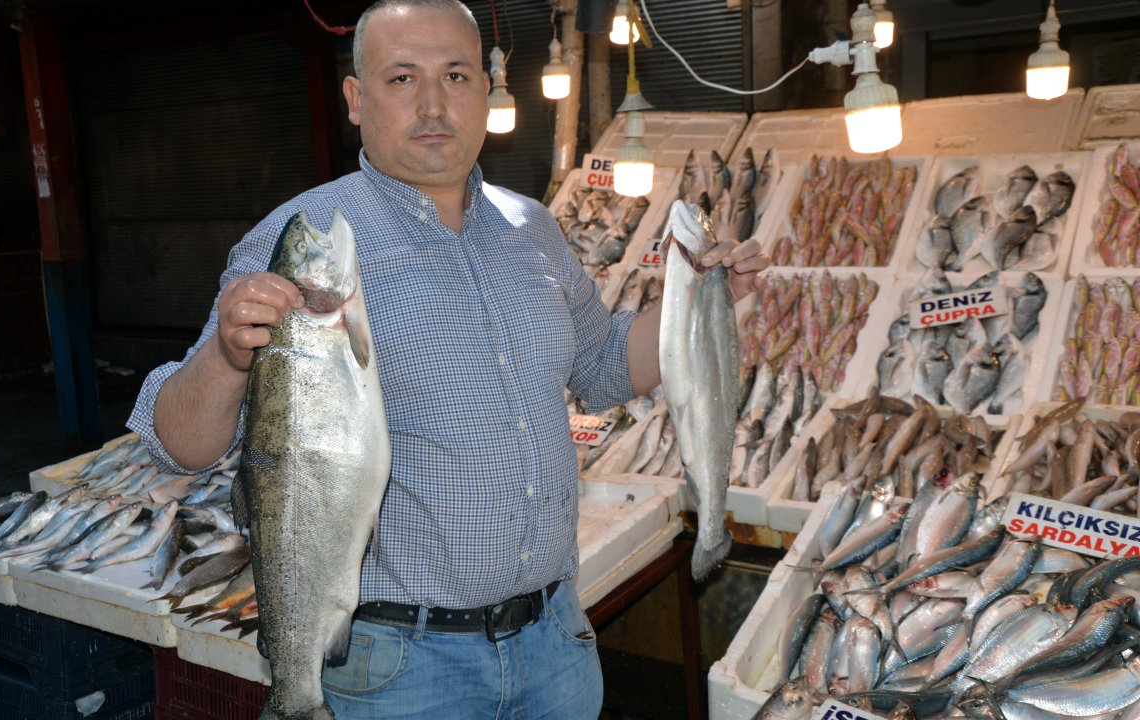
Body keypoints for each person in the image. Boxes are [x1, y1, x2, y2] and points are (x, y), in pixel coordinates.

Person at [128, 0, 767, 717]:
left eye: (457, 76)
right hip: (401, 669)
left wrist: (698, 302)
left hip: (556, 644)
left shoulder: (534, 228)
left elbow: (605, 366)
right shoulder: (302, 239)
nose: (433, 103)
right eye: (402, 79)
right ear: (355, 99)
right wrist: (224, 353)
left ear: (486, 96)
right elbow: (175, 444)